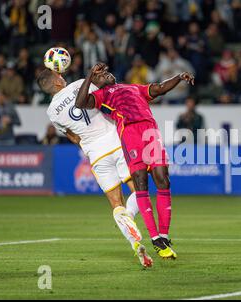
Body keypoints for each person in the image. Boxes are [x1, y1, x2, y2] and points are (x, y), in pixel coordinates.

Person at [75, 63, 195, 260]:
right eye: (101, 75)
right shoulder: (101, 95)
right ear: (96, 83)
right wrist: (89, 75)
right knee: (141, 183)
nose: (106, 73)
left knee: (163, 180)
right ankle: (155, 238)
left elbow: (159, 88)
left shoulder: (133, 87)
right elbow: (80, 103)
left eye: (106, 71)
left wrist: (179, 77)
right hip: (130, 133)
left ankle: (163, 236)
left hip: (150, 130)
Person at [36, 68, 152, 268]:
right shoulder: (78, 84)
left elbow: (73, 137)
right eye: (59, 76)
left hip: (95, 152)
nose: (62, 77)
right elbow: (106, 87)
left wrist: (87, 146)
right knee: (139, 190)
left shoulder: (52, 112)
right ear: (56, 83)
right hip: (116, 140)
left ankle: (135, 243)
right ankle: (130, 216)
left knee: (116, 203)